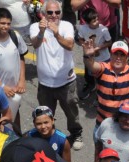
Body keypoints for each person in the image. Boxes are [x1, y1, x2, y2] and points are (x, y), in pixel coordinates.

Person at [30, 0, 84, 149]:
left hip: (66, 81)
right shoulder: (35, 27)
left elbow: (69, 45)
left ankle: (76, 133)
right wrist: (42, 32)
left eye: (57, 12)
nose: (54, 15)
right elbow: (35, 44)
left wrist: (56, 33)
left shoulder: (66, 26)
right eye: (50, 12)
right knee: (46, 115)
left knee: (72, 111)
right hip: (45, 83)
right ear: (44, 13)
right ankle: (48, 137)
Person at [75, 8, 112, 99]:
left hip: (104, 59)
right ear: (88, 23)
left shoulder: (104, 29)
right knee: (90, 74)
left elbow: (109, 42)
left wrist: (98, 48)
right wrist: (84, 45)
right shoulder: (83, 29)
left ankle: (103, 93)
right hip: (91, 59)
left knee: (104, 77)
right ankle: (91, 86)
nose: (97, 22)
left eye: (97, 19)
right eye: (94, 21)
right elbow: (80, 38)